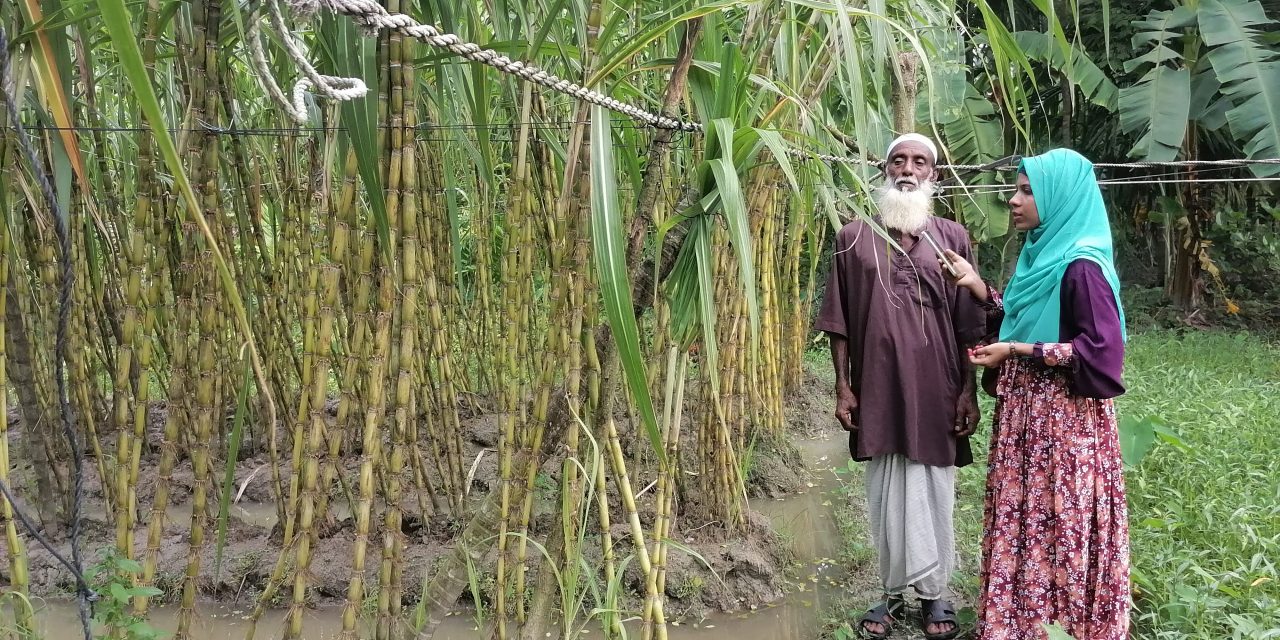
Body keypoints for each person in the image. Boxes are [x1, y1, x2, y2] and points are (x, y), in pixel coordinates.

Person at [941, 148, 1130, 639]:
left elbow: (1101, 355)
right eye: (1017, 188)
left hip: (1064, 427)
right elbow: (1027, 316)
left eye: (1027, 190)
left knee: (1055, 524)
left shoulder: (1081, 267)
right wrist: (979, 288)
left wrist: (1018, 350)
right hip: (1029, 421)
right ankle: (1022, 625)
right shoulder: (1041, 258)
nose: (1014, 199)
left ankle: (1061, 627)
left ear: (1060, 198)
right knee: (1027, 520)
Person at [815, 133, 984, 640]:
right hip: (878, 384)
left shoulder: (952, 237)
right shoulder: (851, 236)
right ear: (884, 169)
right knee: (886, 487)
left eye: (919, 162)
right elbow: (840, 321)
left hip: (939, 385)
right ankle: (890, 591)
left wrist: (968, 390)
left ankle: (935, 594)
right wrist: (844, 388)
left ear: (934, 174)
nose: (907, 169)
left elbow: (969, 320)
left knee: (934, 486)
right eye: (898, 160)